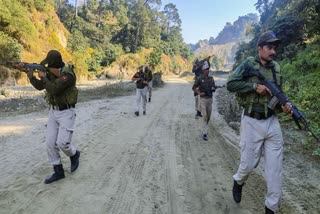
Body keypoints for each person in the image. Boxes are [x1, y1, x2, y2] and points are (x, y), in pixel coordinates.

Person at [226, 31, 292, 214]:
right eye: (269, 47)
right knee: (248, 164)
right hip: (251, 121)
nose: (273, 51)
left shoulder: (276, 68)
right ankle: (239, 180)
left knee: (275, 171)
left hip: (272, 122)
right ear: (259, 48)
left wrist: (284, 107)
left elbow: (278, 95)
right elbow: (231, 84)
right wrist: (255, 87)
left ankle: (271, 208)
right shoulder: (248, 63)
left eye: (275, 48)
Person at [26, 50, 80, 184]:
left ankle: (74, 154)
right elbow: (40, 87)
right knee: (50, 143)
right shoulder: (51, 73)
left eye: (49, 65)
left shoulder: (68, 75)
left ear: (54, 64)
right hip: (53, 111)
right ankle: (58, 171)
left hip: (67, 111)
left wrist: (44, 77)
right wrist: (32, 76)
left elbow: (54, 89)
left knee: (62, 143)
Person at [192, 60, 216, 141]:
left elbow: (214, 88)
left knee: (208, 117)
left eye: (208, 69)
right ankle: (205, 133)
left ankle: (205, 128)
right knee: (205, 116)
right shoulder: (199, 79)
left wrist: (213, 89)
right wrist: (199, 93)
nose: (207, 71)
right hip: (203, 100)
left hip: (210, 100)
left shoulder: (211, 79)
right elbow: (193, 88)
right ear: (203, 70)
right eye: (206, 69)